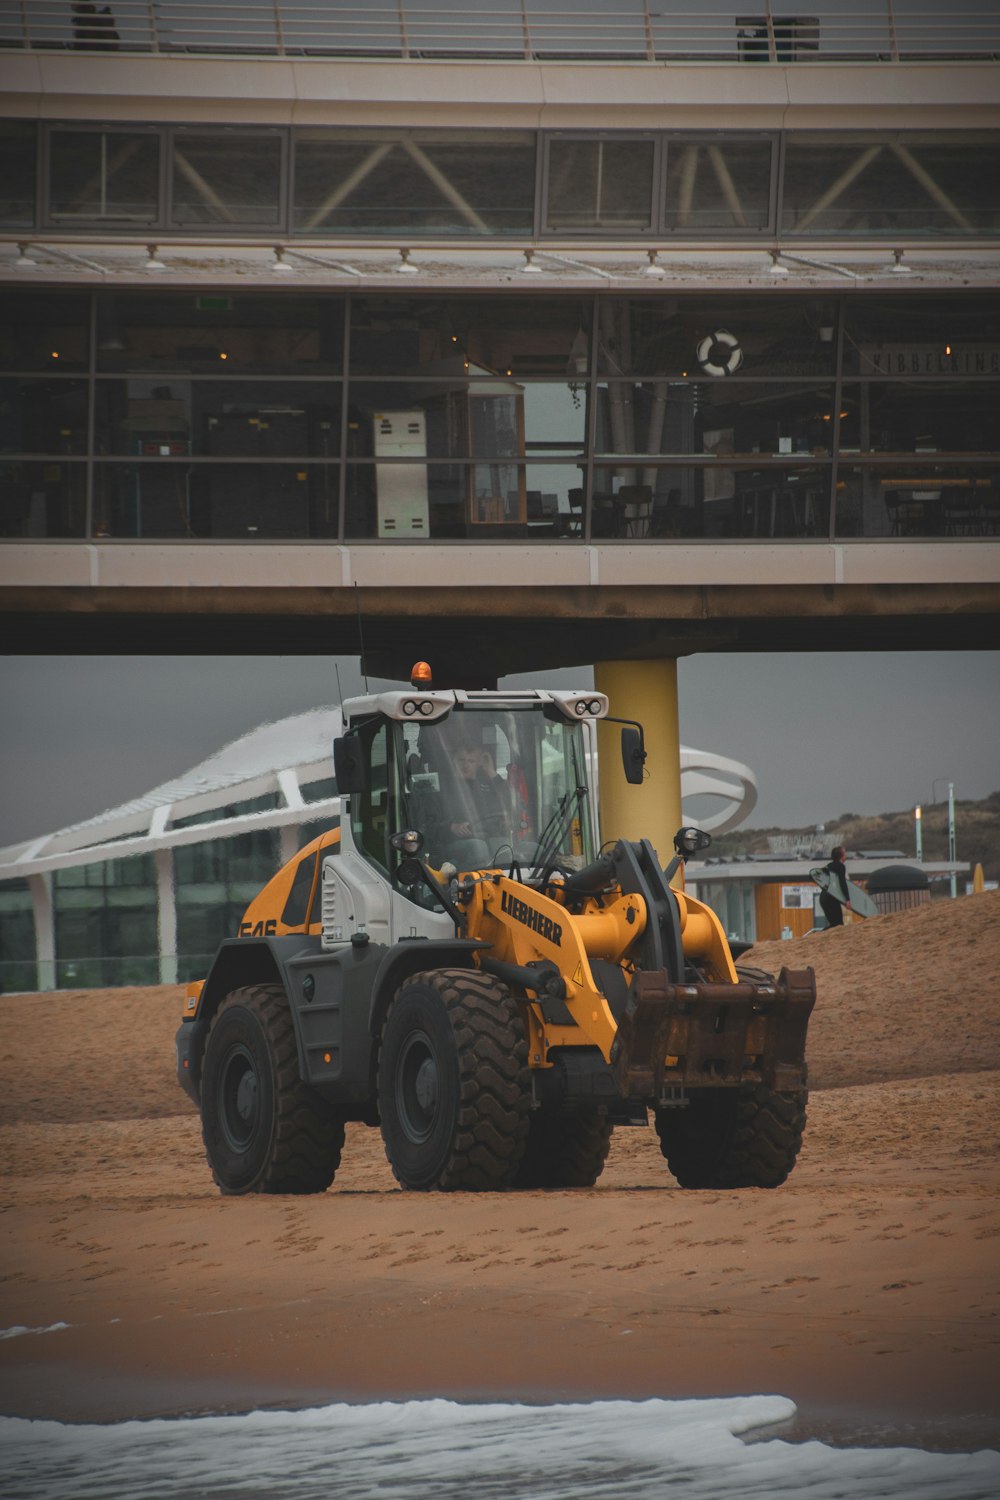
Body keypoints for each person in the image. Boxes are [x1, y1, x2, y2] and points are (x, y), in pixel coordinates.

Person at [819, 845, 852, 928]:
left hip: (823, 897)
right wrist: (847, 900)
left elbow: (820, 877)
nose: (846, 855)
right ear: (841, 855)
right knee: (838, 925)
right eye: (845, 853)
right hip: (831, 898)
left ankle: (817, 937)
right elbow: (842, 883)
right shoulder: (840, 866)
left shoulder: (829, 865)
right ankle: (816, 936)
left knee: (834, 925)